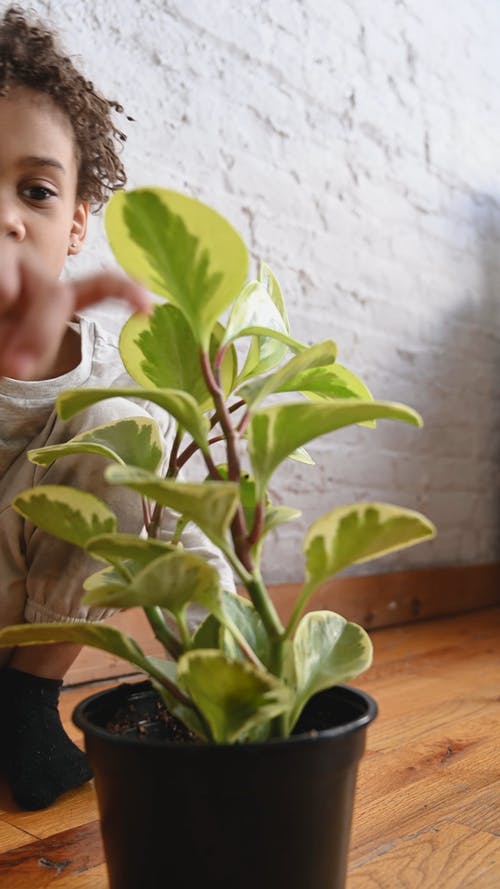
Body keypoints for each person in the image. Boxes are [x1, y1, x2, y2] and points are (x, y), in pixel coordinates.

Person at [0, 6, 234, 811]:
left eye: (34, 190)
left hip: (35, 614)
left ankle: (25, 709)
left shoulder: (109, 375)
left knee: (120, 429)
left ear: (75, 223)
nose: (5, 217)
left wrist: (225, 647)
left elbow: (183, 524)